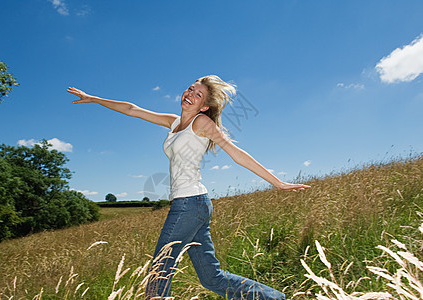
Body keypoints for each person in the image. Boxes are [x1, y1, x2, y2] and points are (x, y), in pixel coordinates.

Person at [67, 75, 310, 300]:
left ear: (204, 106)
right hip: (193, 205)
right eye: (190, 89)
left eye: (198, 95)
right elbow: (132, 109)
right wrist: (93, 99)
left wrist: (277, 182)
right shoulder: (173, 123)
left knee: (159, 270)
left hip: (190, 204)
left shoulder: (201, 122)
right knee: (211, 278)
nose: (190, 94)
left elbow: (236, 153)